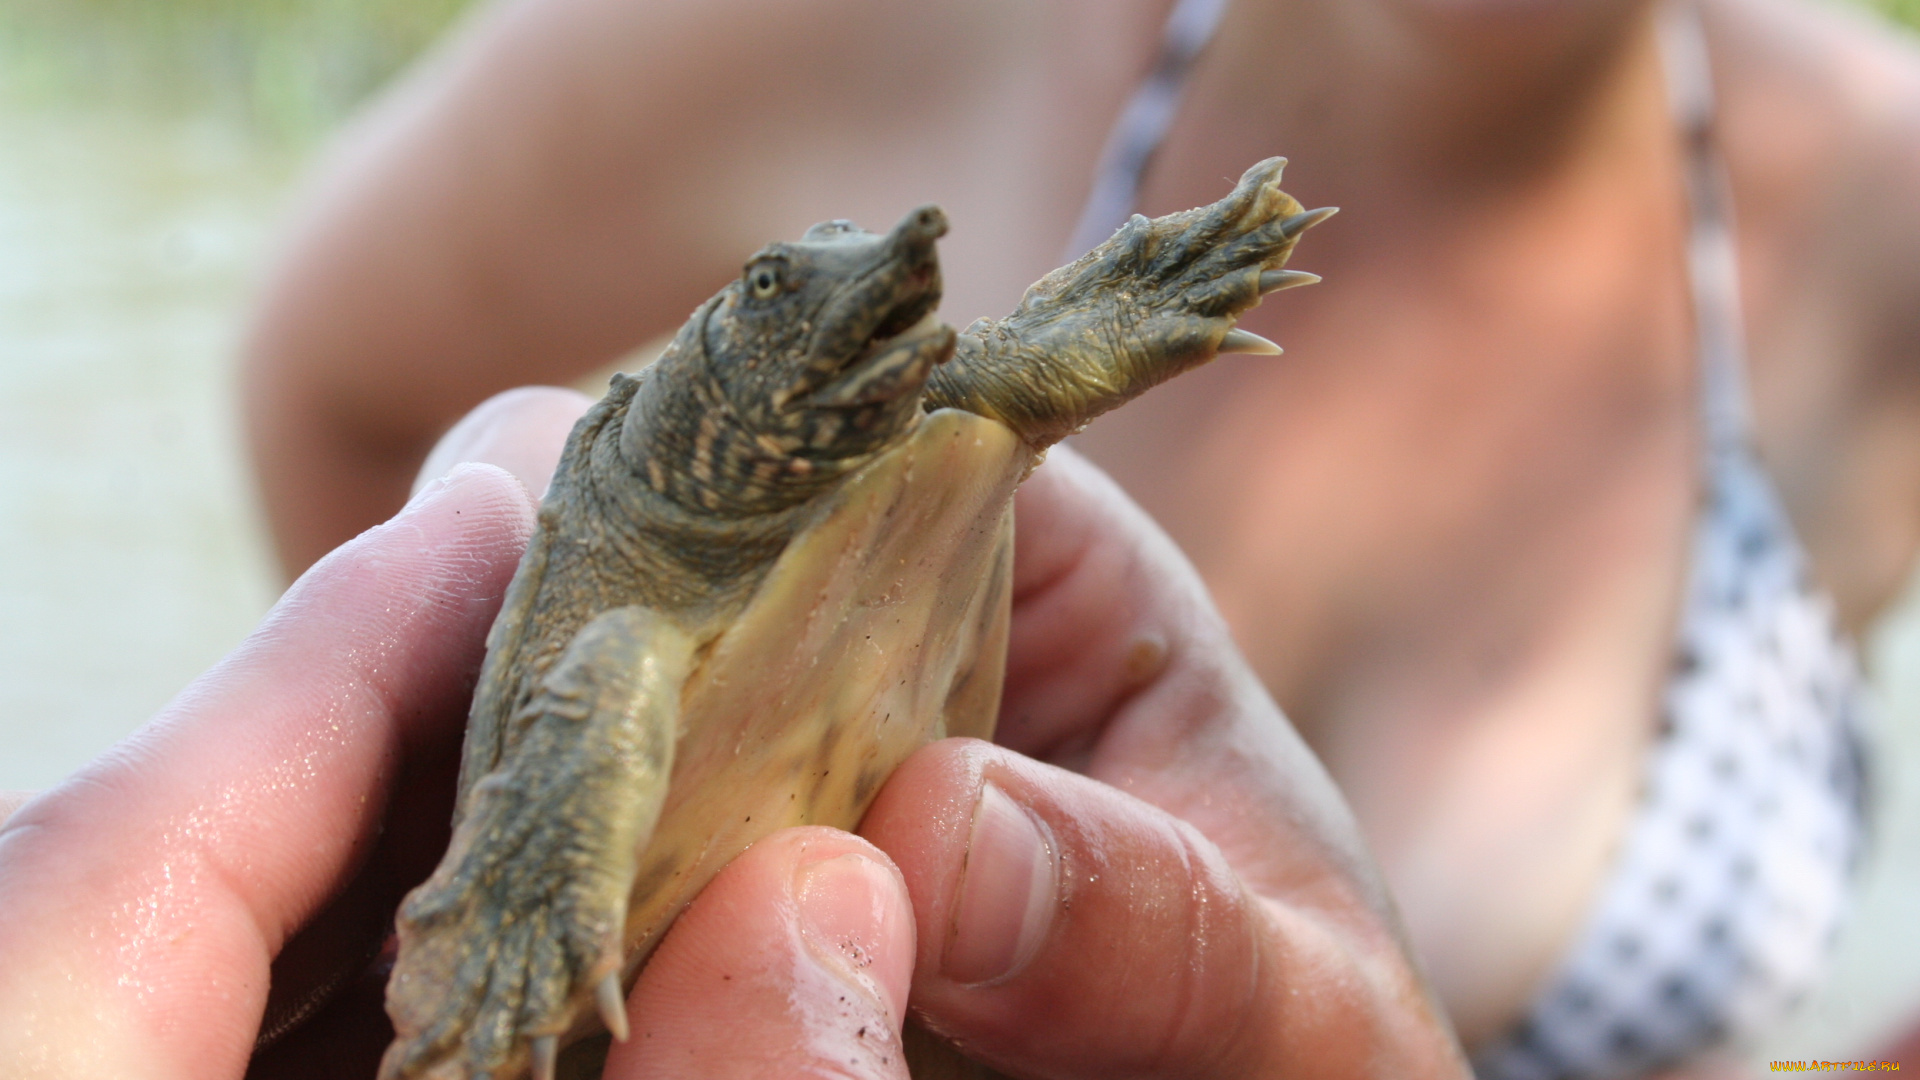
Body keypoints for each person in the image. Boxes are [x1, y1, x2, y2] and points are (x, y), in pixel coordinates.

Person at [239, 0, 1920, 1073]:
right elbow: (324, 378)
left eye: (900, 300)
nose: (890, 293)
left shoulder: (1878, 203)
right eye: (818, 299)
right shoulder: (853, 29)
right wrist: (411, 808)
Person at [0, 395, 1464, 1078]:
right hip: (620, 897)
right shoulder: (624, 634)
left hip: (895, 899)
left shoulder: (942, 444)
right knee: (612, 665)